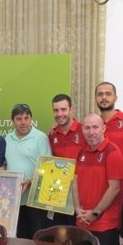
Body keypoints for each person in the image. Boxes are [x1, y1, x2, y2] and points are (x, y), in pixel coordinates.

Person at [72, 113, 123, 245]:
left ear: (104, 128)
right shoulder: (81, 152)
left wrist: (95, 213)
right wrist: (77, 209)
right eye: (87, 128)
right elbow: (75, 182)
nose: (91, 132)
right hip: (82, 222)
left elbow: (114, 188)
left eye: (95, 127)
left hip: (104, 225)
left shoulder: (113, 152)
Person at [95, 81, 123, 239]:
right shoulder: (93, 124)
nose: (104, 98)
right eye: (100, 94)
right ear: (95, 98)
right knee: (105, 235)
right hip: (100, 192)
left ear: (115, 97)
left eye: (108, 94)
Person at [5, 103, 51, 239]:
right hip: (13, 202)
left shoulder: (41, 138)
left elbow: (47, 168)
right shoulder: (7, 138)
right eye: (19, 119)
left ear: (31, 119)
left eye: (26, 118)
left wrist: (31, 180)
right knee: (17, 240)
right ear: (12, 121)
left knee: (35, 241)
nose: (23, 122)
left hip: (34, 202)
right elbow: (5, 163)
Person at [47, 93, 84, 226]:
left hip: (81, 196)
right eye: (56, 110)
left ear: (71, 110)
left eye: (63, 109)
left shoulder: (84, 130)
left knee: (79, 238)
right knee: (60, 236)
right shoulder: (52, 135)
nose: (60, 114)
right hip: (60, 196)